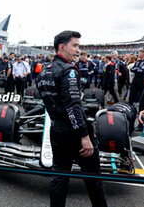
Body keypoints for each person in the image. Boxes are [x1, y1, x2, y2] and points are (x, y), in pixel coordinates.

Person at [36, 30, 107, 207]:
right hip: (75, 135)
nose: (78, 50)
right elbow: (73, 106)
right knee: (94, 180)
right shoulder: (69, 71)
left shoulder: (44, 71)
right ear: (62, 47)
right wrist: (84, 137)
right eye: (74, 45)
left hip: (57, 132)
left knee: (59, 178)